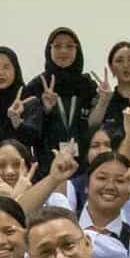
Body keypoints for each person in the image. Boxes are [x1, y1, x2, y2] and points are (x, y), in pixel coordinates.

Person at [20, 28, 99, 171]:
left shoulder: (87, 86)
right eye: (57, 46)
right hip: (46, 168)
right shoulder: (37, 86)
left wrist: (104, 100)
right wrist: (45, 110)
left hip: (84, 168)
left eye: (70, 46)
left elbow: (94, 126)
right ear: (48, 50)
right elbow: (29, 132)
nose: (63, 51)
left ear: (77, 50)